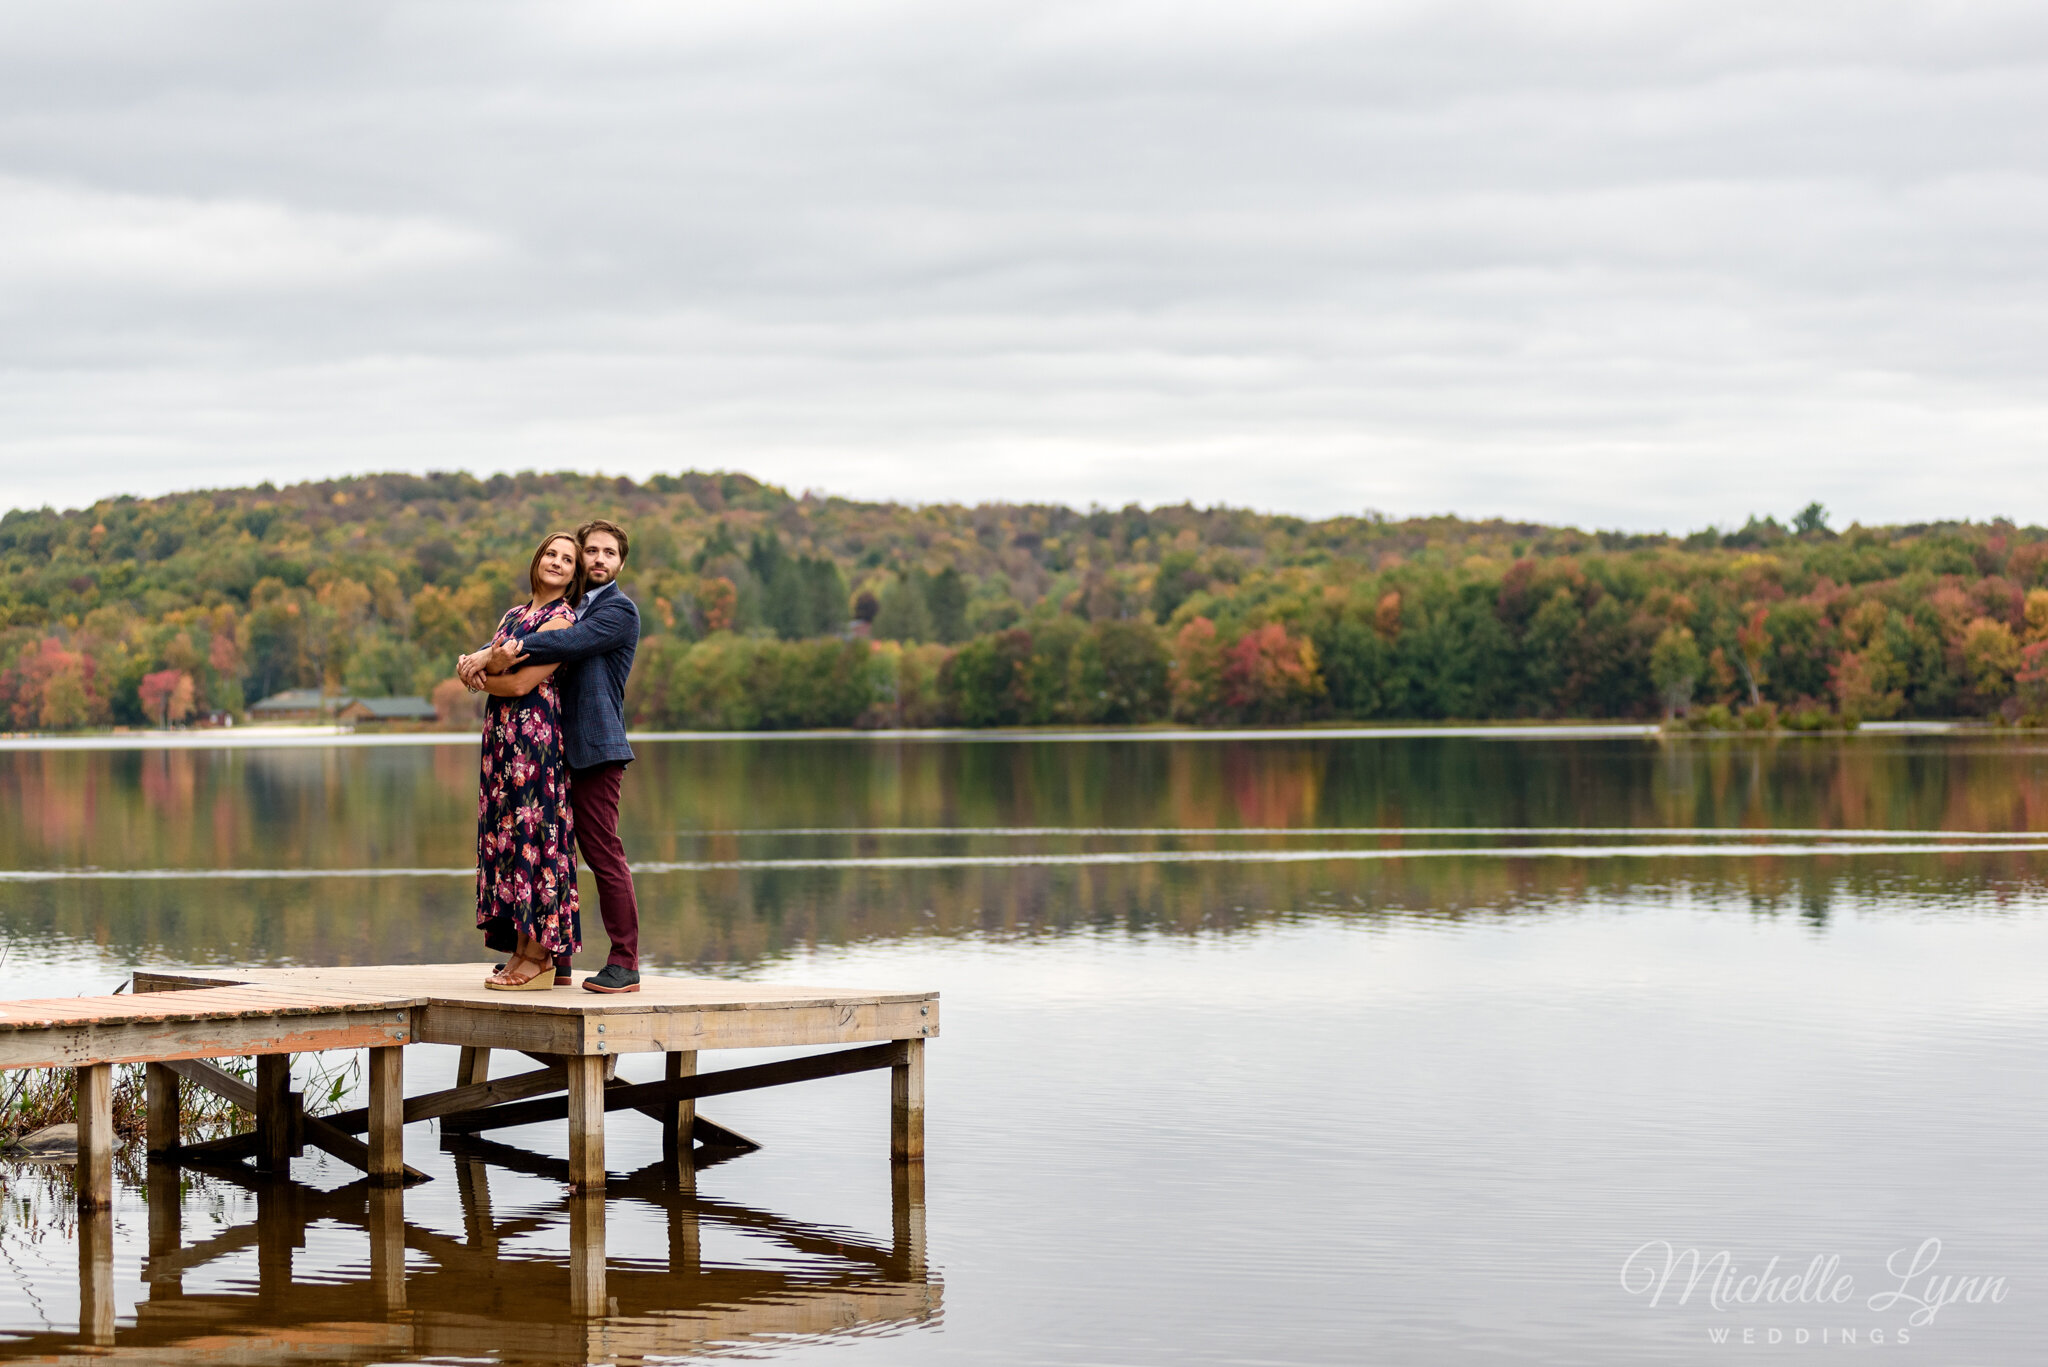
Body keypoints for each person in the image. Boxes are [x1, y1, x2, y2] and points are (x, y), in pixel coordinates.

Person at [461, 519, 643, 993]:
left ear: (621, 563)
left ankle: (625, 963)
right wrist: (484, 655)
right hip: (551, 749)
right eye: (593, 551)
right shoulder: (572, 606)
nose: (599, 559)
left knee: (602, 852)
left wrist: (492, 655)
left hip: (595, 749)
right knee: (552, 848)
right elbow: (531, 635)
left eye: (610, 553)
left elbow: (564, 642)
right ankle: (554, 958)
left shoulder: (617, 612)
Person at [472, 533, 583, 990]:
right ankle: (520, 949)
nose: (557, 562)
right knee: (509, 838)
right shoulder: (514, 615)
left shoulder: (561, 622)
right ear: (537, 559)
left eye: (567, 560)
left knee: (535, 836)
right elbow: (498, 667)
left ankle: (540, 955)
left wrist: (483, 673)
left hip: (535, 743)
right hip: (501, 743)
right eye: (551, 554)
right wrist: (488, 664)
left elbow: (520, 685)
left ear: (574, 575)